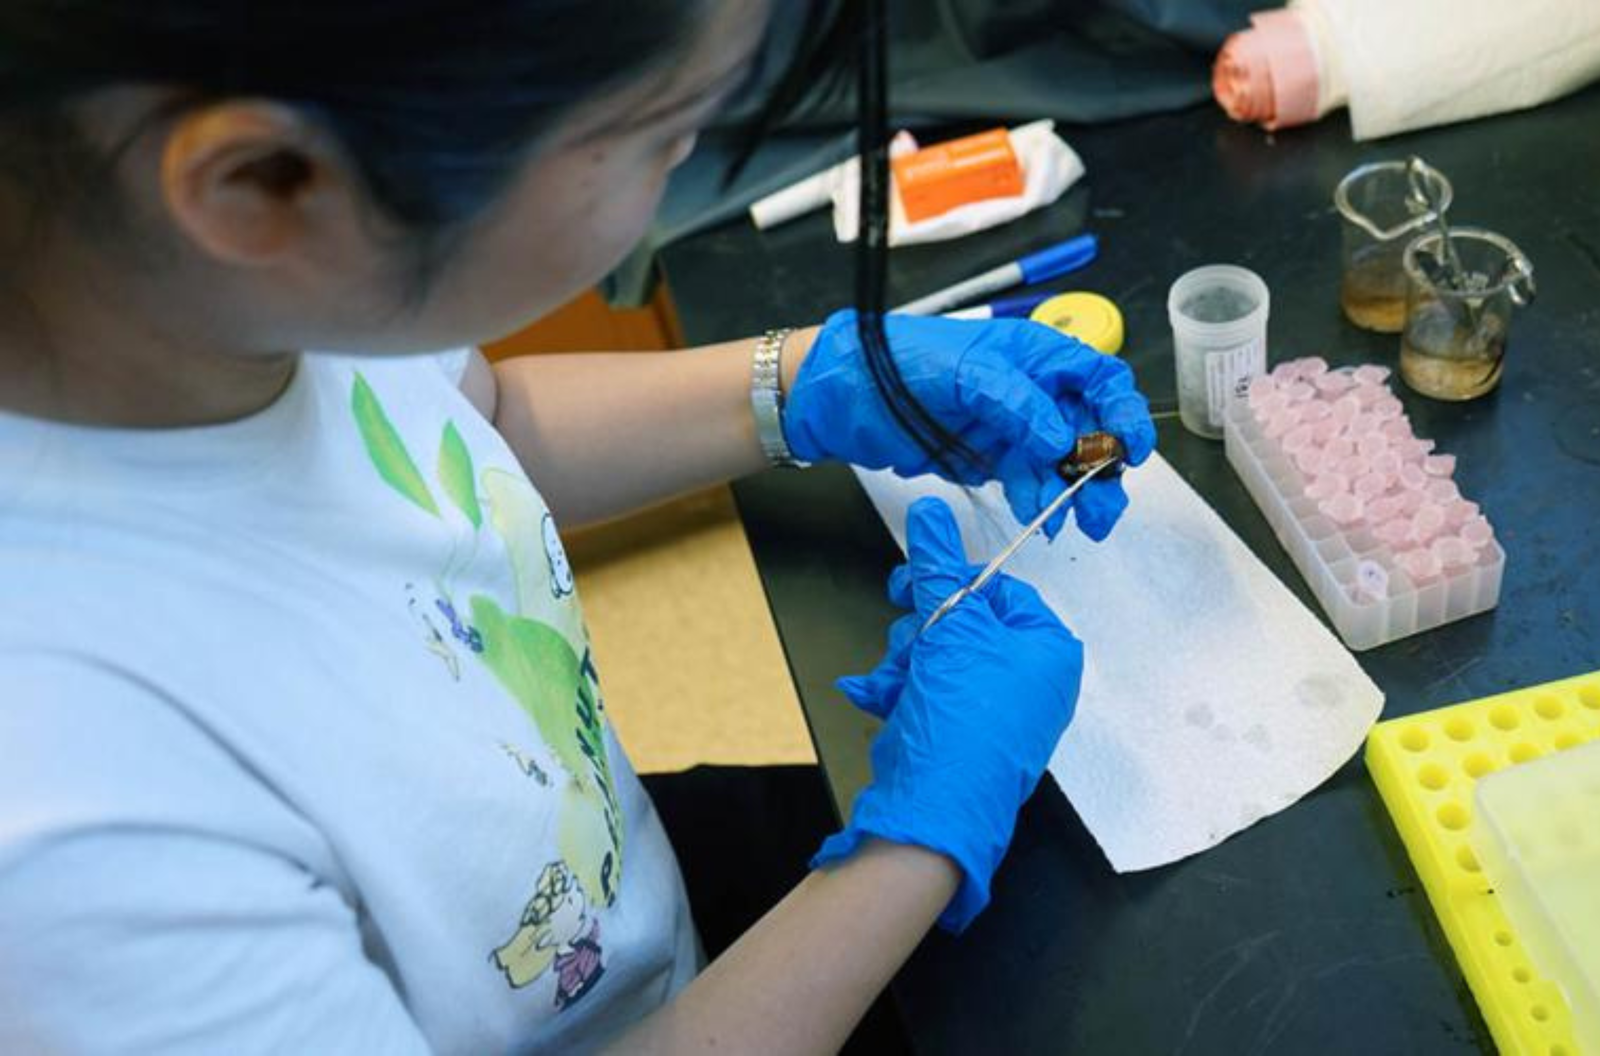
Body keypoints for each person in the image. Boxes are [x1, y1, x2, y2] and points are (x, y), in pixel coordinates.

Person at [0, 1, 1155, 1052]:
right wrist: (918, 844)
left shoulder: (175, 291)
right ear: (261, 183)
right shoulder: (76, 841)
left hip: (608, 912)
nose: (691, 157)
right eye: (662, 129)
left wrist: (803, 381)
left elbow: (474, 424)